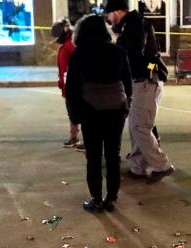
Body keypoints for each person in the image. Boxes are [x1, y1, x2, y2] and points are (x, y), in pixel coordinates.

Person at [65, 14, 133, 212]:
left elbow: (72, 89)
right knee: (113, 155)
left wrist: (74, 115)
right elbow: (127, 83)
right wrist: (126, 104)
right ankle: (111, 198)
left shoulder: (79, 54)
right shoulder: (118, 51)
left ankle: (96, 198)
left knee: (93, 156)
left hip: (90, 109)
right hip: (115, 109)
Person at [105, 0, 173, 182]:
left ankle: (161, 165)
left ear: (116, 11)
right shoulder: (131, 24)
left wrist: (116, 44)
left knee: (139, 125)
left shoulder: (134, 25)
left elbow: (134, 52)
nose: (108, 18)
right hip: (141, 80)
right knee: (136, 125)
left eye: (109, 14)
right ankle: (138, 167)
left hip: (146, 79)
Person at [52, 19, 84, 151]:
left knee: (77, 112)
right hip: (70, 85)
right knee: (73, 113)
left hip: (73, 86)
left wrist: (66, 86)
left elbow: (67, 70)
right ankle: (74, 137)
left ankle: (81, 139)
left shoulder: (69, 46)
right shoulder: (68, 45)